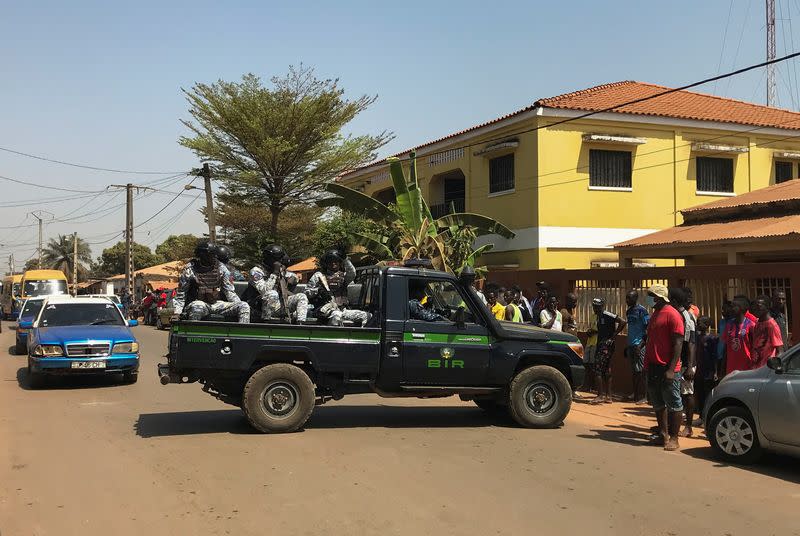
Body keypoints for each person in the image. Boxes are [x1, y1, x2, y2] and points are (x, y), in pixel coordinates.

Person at [644, 284, 685, 452]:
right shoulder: (656, 314)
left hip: (667, 367)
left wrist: (671, 369)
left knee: (674, 403)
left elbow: (678, 343)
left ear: (659, 297)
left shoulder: (672, 315)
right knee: (658, 403)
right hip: (653, 366)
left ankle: (674, 438)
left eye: (650, 295)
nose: (648, 298)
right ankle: (663, 434)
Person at [173, 240, 250, 323]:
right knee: (197, 307)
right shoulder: (190, 270)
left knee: (244, 306)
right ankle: (194, 335)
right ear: (202, 255)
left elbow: (229, 291)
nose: (214, 257)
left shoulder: (221, 268)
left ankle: (240, 334)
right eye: (211, 254)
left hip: (217, 304)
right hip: (198, 303)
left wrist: (237, 305)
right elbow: (181, 294)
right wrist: (177, 313)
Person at [306, 249, 369, 326]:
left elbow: (352, 272)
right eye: (330, 261)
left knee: (367, 316)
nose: (333, 263)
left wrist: (345, 259)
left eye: (336, 261)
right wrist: (319, 291)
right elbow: (307, 292)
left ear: (340, 262)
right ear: (326, 263)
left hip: (342, 310)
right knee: (336, 316)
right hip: (325, 310)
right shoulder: (318, 275)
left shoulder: (344, 276)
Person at [247, 244, 309, 323]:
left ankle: (301, 325)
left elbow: (293, 277)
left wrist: (293, 278)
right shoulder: (256, 271)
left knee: (302, 296)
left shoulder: (281, 270)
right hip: (259, 308)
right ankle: (266, 324)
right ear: (270, 259)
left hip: (278, 305)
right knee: (272, 294)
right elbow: (265, 291)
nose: (280, 261)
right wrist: (274, 273)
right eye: (278, 259)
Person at [671, 288, 697, 438]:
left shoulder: (687, 316)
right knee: (677, 393)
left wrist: (689, 366)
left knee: (688, 394)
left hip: (686, 361)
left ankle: (688, 427)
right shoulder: (677, 314)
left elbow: (691, 343)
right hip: (678, 361)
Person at [590, 297, 626, 404]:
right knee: (606, 370)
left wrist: (613, 336)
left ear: (601, 306)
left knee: (598, 368)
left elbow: (623, 321)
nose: (594, 308)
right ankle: (608, 396)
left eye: (596, 306)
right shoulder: (597, 316)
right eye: (593, 306)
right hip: (601, 344)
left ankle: (600, 395)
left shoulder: (607, 314)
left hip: (606, 345)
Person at [625, 290, 649, 404]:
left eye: (629, 298)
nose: (627, 300)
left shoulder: (642, 311)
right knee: (635, 371)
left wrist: (641, 345)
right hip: (631, 345)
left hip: (639, 345)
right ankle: (635, 393)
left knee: (642, 371)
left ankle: (645, 396)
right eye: (626, 298)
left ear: (635, 298)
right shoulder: (629, 311)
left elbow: (647, 329)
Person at [694, 315, 719, 426]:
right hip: (699, 370)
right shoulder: (697, 338)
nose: (698, 325)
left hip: (708, 372)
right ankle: (701, 417)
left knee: (708, 394)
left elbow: (715, 357)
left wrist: (715, 371)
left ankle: (707, 418)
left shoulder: (712, 339)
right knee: (700, 395)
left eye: (700, 323)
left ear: (707, 325)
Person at [722, 295, 756, 376]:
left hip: (747, 369)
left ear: (742, 308)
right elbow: (726, 347)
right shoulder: (729, 325)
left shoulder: (751, 325)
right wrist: (722, 367)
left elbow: (755, 348)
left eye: (734, 306)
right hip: (731, 369)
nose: (731, 309)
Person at [750, 295, 784, 369]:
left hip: (766, 370)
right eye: (754, 307)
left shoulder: (772, 325)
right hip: (755, 368)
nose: (755, 309)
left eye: (758, 307)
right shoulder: (757, 323)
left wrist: (774, 367)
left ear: (767, 307)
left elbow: (780, 351)